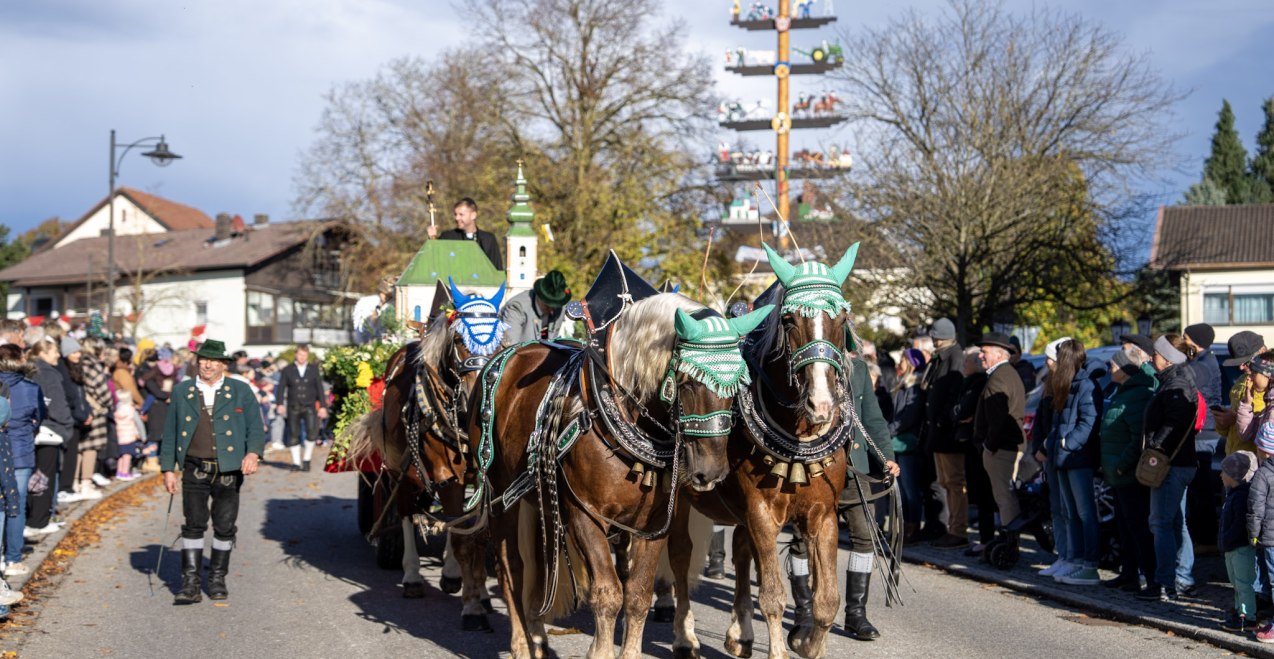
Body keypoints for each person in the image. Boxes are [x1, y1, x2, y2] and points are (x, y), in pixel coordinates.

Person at [161, 339, 266, 604]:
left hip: (228, 470)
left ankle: (217, 577)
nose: (206, 364)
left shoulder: (240, 390)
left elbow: (256, 427)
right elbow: (170, 432)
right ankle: (191, 582)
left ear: (223, 364)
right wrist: (168, 469)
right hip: (194, 467)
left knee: (224, 526)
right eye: (202, 359)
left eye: (212, 360)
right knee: (193, 524)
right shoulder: (182, 390)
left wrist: (253, 453)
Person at [1138, 334, 1201, 602]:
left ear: (1167, 358)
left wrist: (1155, 445)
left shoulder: (1176, 383)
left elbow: (1174, 423)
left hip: (1171, 464)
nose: (1152, 358)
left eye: (1155, 354)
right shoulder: (1177, 379)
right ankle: (1181, 579)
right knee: (1175, 521)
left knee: (1161, 522)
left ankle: (1164, 583)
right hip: (1179, 462)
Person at [1043, 339, 1105, 586]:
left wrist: (1066, 443)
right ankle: (1075, 559)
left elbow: (1088, 422)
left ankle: (1089, 564)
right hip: (1064, 458)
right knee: (1070, 513)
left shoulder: (1086, 386)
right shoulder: (1067, 386)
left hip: (1076, 458)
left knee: (1085, 513)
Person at [1098, 347, 1158, 592]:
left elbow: (1137, 437)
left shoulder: (1137, 394)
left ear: (1124, 370)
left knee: (1138, 527)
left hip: (1129, 473)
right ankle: (1129, 574)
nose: (1109, 370)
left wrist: (1122, 465)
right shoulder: (1123, 391)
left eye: (1113, 366)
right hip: (1118, 472)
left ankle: (1149, 577)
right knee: (1124, 525)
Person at [973, 332, 1035, 549]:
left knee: (1004, 498)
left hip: (1002, 448)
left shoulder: (1000, 377)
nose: (980, 356)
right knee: (1004, 497)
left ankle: (1009, 544)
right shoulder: (1004, 373)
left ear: (999, 354)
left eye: (984, 352)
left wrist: (989, 445)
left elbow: (998, 420)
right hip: (1005, 446)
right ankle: (1008, 540)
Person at [917, 318, 964, 544]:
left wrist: (943, 419)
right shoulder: (939, 358)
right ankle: (937, 523)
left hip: (944, 432)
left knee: (949, 482)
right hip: (933, 430)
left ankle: (951, 526)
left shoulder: (954, 355)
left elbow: (954, 389)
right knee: (933, 480)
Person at [0, 345, 44, 579]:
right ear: (19, 360)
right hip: (21, 452)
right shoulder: (30, 387)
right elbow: (39, 417)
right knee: (15, 505)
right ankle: (13, 558)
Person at [25, 339, 70, 542]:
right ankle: (39, 521)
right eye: (55, 351)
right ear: (43, 352)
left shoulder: (29, 369)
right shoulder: (48, 374)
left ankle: (36, 518)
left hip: (34, 430)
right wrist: (67, 424)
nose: (58, 355)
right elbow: (57, 404)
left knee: (34, 476)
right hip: (49, 430)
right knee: (44, 477)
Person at [952, 347, 994, 555]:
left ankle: (990, 539)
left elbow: (966, 410)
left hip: (977, 443)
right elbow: (958, 409)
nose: (963, 366)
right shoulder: (966, 383)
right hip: (969, 442)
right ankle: (987, 538)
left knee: (985, 494)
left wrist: (962, 412)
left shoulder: (979, 383)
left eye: (966, 362)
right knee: (978, 492)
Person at [56, 336, 99, 502]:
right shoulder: (62, 370)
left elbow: (81, 395)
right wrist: (81, 415)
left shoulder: (75, 368)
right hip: (71, 418)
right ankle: (64, 488)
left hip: (79, 418)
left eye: (78, 352)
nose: (78, 355)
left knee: (73, 454)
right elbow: (69, 397)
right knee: (68, 455)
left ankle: (68, 487)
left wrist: (88, 412)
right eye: (74, 352)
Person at [1220, 450, 1258, 631]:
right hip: (1231, 547)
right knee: (1236, 583)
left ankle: (1247, 616)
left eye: (1224, 472)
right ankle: (1238, 610)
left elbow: (1238, 525)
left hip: (1240, 547)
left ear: (1233, 476)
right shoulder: (1233, 494)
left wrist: (1228, 538)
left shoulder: (1241, 497)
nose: (1220, 475)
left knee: (1243, 583)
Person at [890, 349, 925, 542]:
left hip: (907, 443)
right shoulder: (902, 385)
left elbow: (909, 417)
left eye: (903, 359)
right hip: (897, 441)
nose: (900, 362)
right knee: (901, 489)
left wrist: (890, 430)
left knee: (911, 489)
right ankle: (904, 526)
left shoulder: (915, 387)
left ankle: (914, 526)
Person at [275, 344, 328, 471]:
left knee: (311, 432)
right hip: (293, 405)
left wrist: (322, 406)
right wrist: (280, 404)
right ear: (295, 354)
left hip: (309, 405)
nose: (302, 357)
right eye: (300, 354)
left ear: (307, 356)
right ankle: (296, 462)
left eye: (304, 355)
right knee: (293, 433)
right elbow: (281, 387)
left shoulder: (313, 369)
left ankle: (307, 460)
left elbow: (319, 388)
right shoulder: (287, 369)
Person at [1220, 332, 1269, 456]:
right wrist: (1223, 423)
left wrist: (1236, 418)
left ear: (1262, 350)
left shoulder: (1269, 383)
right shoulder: (1241, 381)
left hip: (1259, 462)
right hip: (1235, 459)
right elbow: (1233, 432)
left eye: (1246, 361)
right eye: (1238, 362)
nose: (1241, 367)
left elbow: (1265, 432)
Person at [426, 197, 503, 270]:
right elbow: (436, 260)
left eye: (461, 215)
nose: (457, 218)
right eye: (455, 214)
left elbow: (496, 268)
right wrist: (432, 239)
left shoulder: (488, 239)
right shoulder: (447, 237)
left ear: (473, 215)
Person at [499, 270, 572, 346]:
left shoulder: (560, 307)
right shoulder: (516, 308)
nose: (552, 312)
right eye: (548, 306)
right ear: (539, 296)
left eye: (556, 307)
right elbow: (511, 348)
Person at [352, 275, 399, 344]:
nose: (386, 297)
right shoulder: (367, 303)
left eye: (389, 296)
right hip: (369, 340)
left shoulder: (392, 304)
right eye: (384, 294)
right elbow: (361, 327)